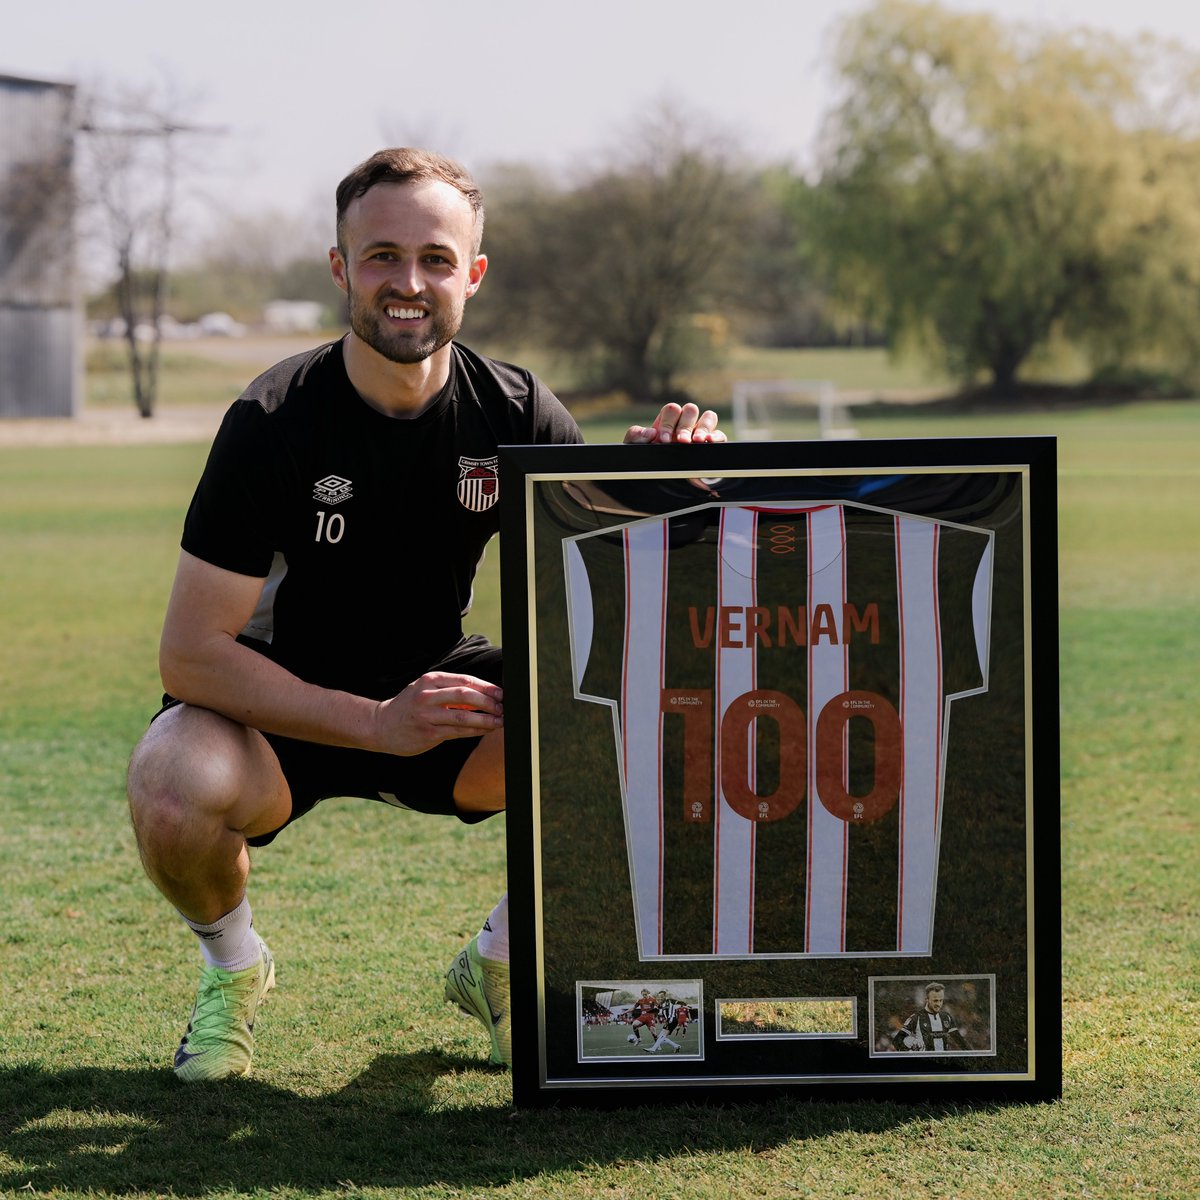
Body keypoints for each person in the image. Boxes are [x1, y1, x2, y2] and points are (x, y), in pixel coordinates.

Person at [125, 147, 724, 1083]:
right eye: (381, 256)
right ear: (341, 269)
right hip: (278, 715)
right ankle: (233, 971)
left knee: (644, 723)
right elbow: (193, 655)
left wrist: (670, 488)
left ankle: (497, 964)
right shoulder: (272, 422)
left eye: (437, 259)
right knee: (170, 779)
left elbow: (617, 576)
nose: (409, 283)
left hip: (443, 695)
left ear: (473, 274)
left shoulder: (517, 410)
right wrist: (374, 723)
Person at [891, 982, 969, 1053]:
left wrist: (973, 1056)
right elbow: (897, 1041)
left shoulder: (946, 1017)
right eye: (935, 1000)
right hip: (925, 1065)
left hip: (944, 1064)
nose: (938, 1004)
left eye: (941, 1000)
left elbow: (960, 1041)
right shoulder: (916, 1018)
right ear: (927, 1000)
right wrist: (912, 1053)